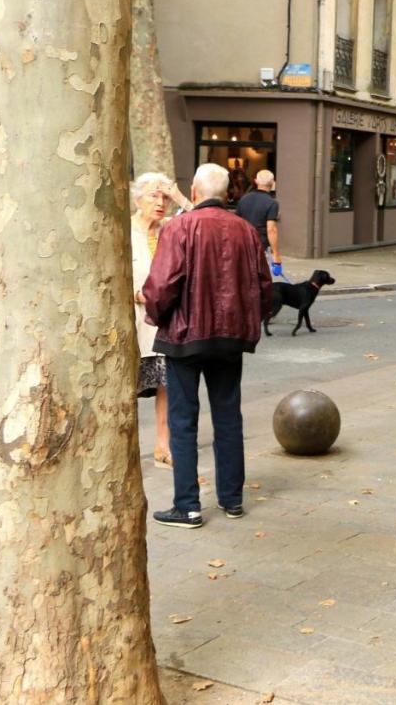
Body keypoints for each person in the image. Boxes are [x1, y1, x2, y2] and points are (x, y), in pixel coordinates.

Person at [143, 163, 274, 529]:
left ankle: (187, 506)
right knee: (228, 416)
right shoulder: (246, 231)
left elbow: (162, 284)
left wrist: (157, 315)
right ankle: (232, 500)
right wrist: (251, 322)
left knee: (183, 421)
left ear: (194, 192)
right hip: (230, 339)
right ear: (226, 194)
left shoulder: (180, 228)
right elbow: (264, 287)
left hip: (185, 338)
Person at [130, 172, 192, 468]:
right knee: (126, 385)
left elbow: (201, 221)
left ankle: (162, 446)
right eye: (154, 195)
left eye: (165, 197)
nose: (161, 202)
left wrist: (180, 197)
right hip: (131, 323)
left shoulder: (170, 229)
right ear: (137, 198)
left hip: (162, 322)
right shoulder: (124, 230)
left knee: (165, 385)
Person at [236, 169, 289, 283]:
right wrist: (276, 256)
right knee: (259, 279)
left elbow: (237, 223)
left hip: (242, 245)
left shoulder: (243, 199)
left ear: (255, 181)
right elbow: (271, 229)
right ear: (273, 183)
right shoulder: (272, 203)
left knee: (244, 278)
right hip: (260, 246)